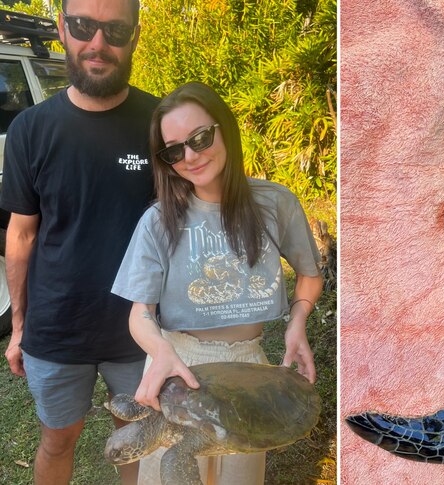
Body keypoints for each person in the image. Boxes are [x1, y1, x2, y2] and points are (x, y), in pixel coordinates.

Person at [111, 81, 323, 484]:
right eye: (174, 150)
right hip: (179, 364)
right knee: (170, 474)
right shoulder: (157, 221)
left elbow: (309, 277)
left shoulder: (275, 203)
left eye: (201, 137)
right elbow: (140, 313)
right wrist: (160, 351)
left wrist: (298, 323)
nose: (190, 156)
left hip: (248, 368)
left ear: (225, 127)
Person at [0, 0, 158, 484]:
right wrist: (20, 326)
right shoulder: (31, 129)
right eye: (83, 26)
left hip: (140, 330)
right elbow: (22, 233)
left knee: (140, 438)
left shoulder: (160, 122)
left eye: (114, 30)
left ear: (134, 36)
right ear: (63, 30)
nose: (97, 43)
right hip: (57, 330)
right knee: (57, 440)